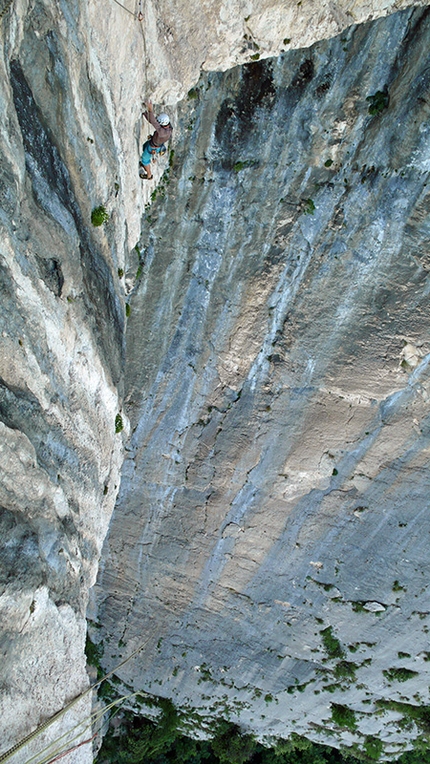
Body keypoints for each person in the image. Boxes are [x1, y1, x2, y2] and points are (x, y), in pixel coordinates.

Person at [140, 100, 173, 180]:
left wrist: (150, 110)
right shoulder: (169, 128)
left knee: (144, 159)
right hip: (155, 144)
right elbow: (155, 122)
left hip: (153, 147)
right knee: (144, 147)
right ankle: (145, 165)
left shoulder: (162, 132)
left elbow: (153, 122)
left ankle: (149, 175)